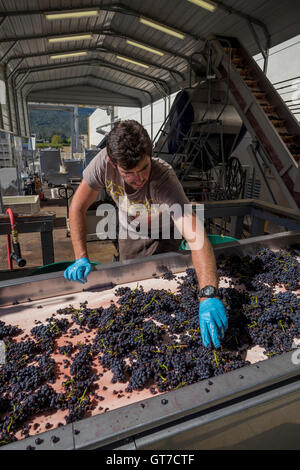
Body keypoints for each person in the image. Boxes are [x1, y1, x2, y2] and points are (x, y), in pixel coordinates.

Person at [64, 120, 227, 348]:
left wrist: (208, 293)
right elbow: (77, 207)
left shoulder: (164, 179)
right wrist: (80, 255)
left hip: (165, 230)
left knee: (166, 288)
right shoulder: (102, 163)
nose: (138, 179)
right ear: (113, 163)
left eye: (143, 168)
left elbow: (196, 237)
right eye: (128, 173)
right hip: (130, 229)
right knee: (130, 286)